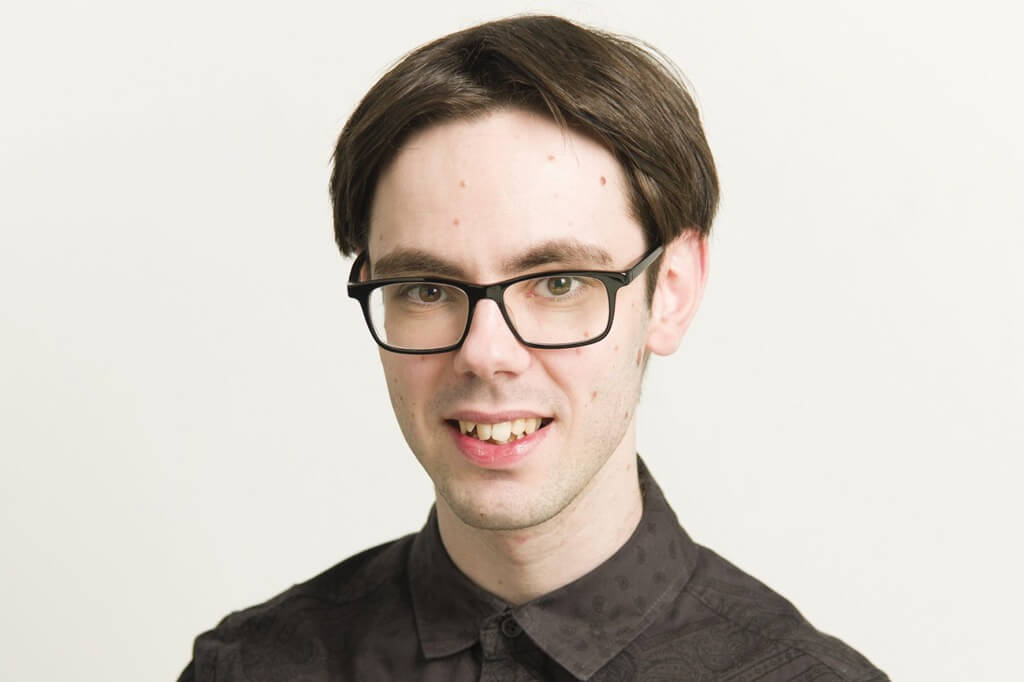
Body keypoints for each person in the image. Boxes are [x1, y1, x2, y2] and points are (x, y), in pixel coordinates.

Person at [179, 15, 887, 681]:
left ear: (670, 290)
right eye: (427, 289)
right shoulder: (250, 668)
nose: (487, 355)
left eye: (558, 283)